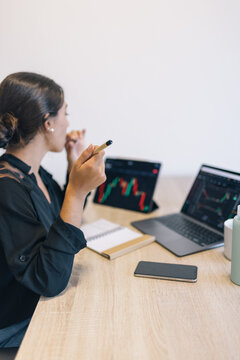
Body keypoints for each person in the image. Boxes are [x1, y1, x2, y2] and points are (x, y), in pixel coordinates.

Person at [0, 72, 106, 348]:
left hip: (34, 302)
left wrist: (73, 168)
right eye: (65, 114)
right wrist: (78, 190)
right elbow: (49, 280)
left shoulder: (31, 172)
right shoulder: (7, 188)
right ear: (48, 123)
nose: (68, 123)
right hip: (14, 320)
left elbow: (61, 225)